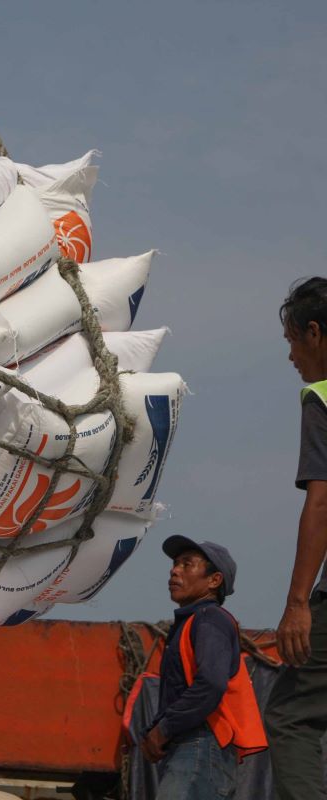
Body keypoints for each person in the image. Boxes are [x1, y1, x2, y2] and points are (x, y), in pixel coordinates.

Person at [141, 537, 266, 799]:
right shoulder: (191, 624)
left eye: (188, 564)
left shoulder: (210, 619)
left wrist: (162, 729)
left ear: (214, 580)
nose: (174, 570)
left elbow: (210, 684)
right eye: (175, 564)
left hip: (199, 745)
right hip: (191, 748)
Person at [266, 277, 327, 799]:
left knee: (291, 714)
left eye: (291, 342)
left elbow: (322, 502)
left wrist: (297, 602)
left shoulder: (321, 397)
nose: (291, 356)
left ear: (315, 333)